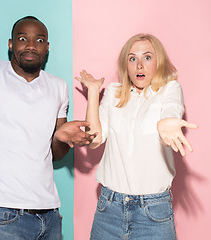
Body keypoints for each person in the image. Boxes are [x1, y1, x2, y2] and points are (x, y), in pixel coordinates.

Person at [0, 16, 96, 240]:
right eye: (23, 38)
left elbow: (55, 155)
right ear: (11, 44)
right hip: (2, 215)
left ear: (47, 47)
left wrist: (61, 139)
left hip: (50, 216)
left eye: (40, 40)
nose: (32, 45)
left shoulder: (58, 86)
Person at [75, 33, 198, 240]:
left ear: (159, 62)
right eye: (132, 58)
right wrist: (94, 92)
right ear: (126, 65)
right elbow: (94, 140)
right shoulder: (114, 92)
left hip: (153, 212)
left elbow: (171, 110)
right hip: (109, 209)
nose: (139, 65)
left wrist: (166, 124)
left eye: (147, 57)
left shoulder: (170, 89)